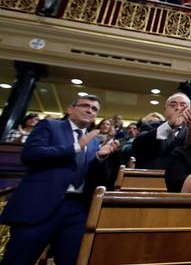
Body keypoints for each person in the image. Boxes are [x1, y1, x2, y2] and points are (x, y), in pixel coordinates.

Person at [0, 95, 118, 265]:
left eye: (94, 109)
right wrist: (76, 147)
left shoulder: (93, 142)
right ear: (70, 109)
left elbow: (90, 174)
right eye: (85, 105)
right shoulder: (49, 126)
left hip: (76, 209)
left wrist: (99, 158)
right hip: (40, 205)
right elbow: (30, 154)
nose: (89, 110)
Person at [131, 92, 191, 169]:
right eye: (173, 105)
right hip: (150, 177)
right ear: (166, 109)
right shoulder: (151, 125)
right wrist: (168, 126)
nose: (178, 108)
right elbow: (138, 145)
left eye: (183, 105)